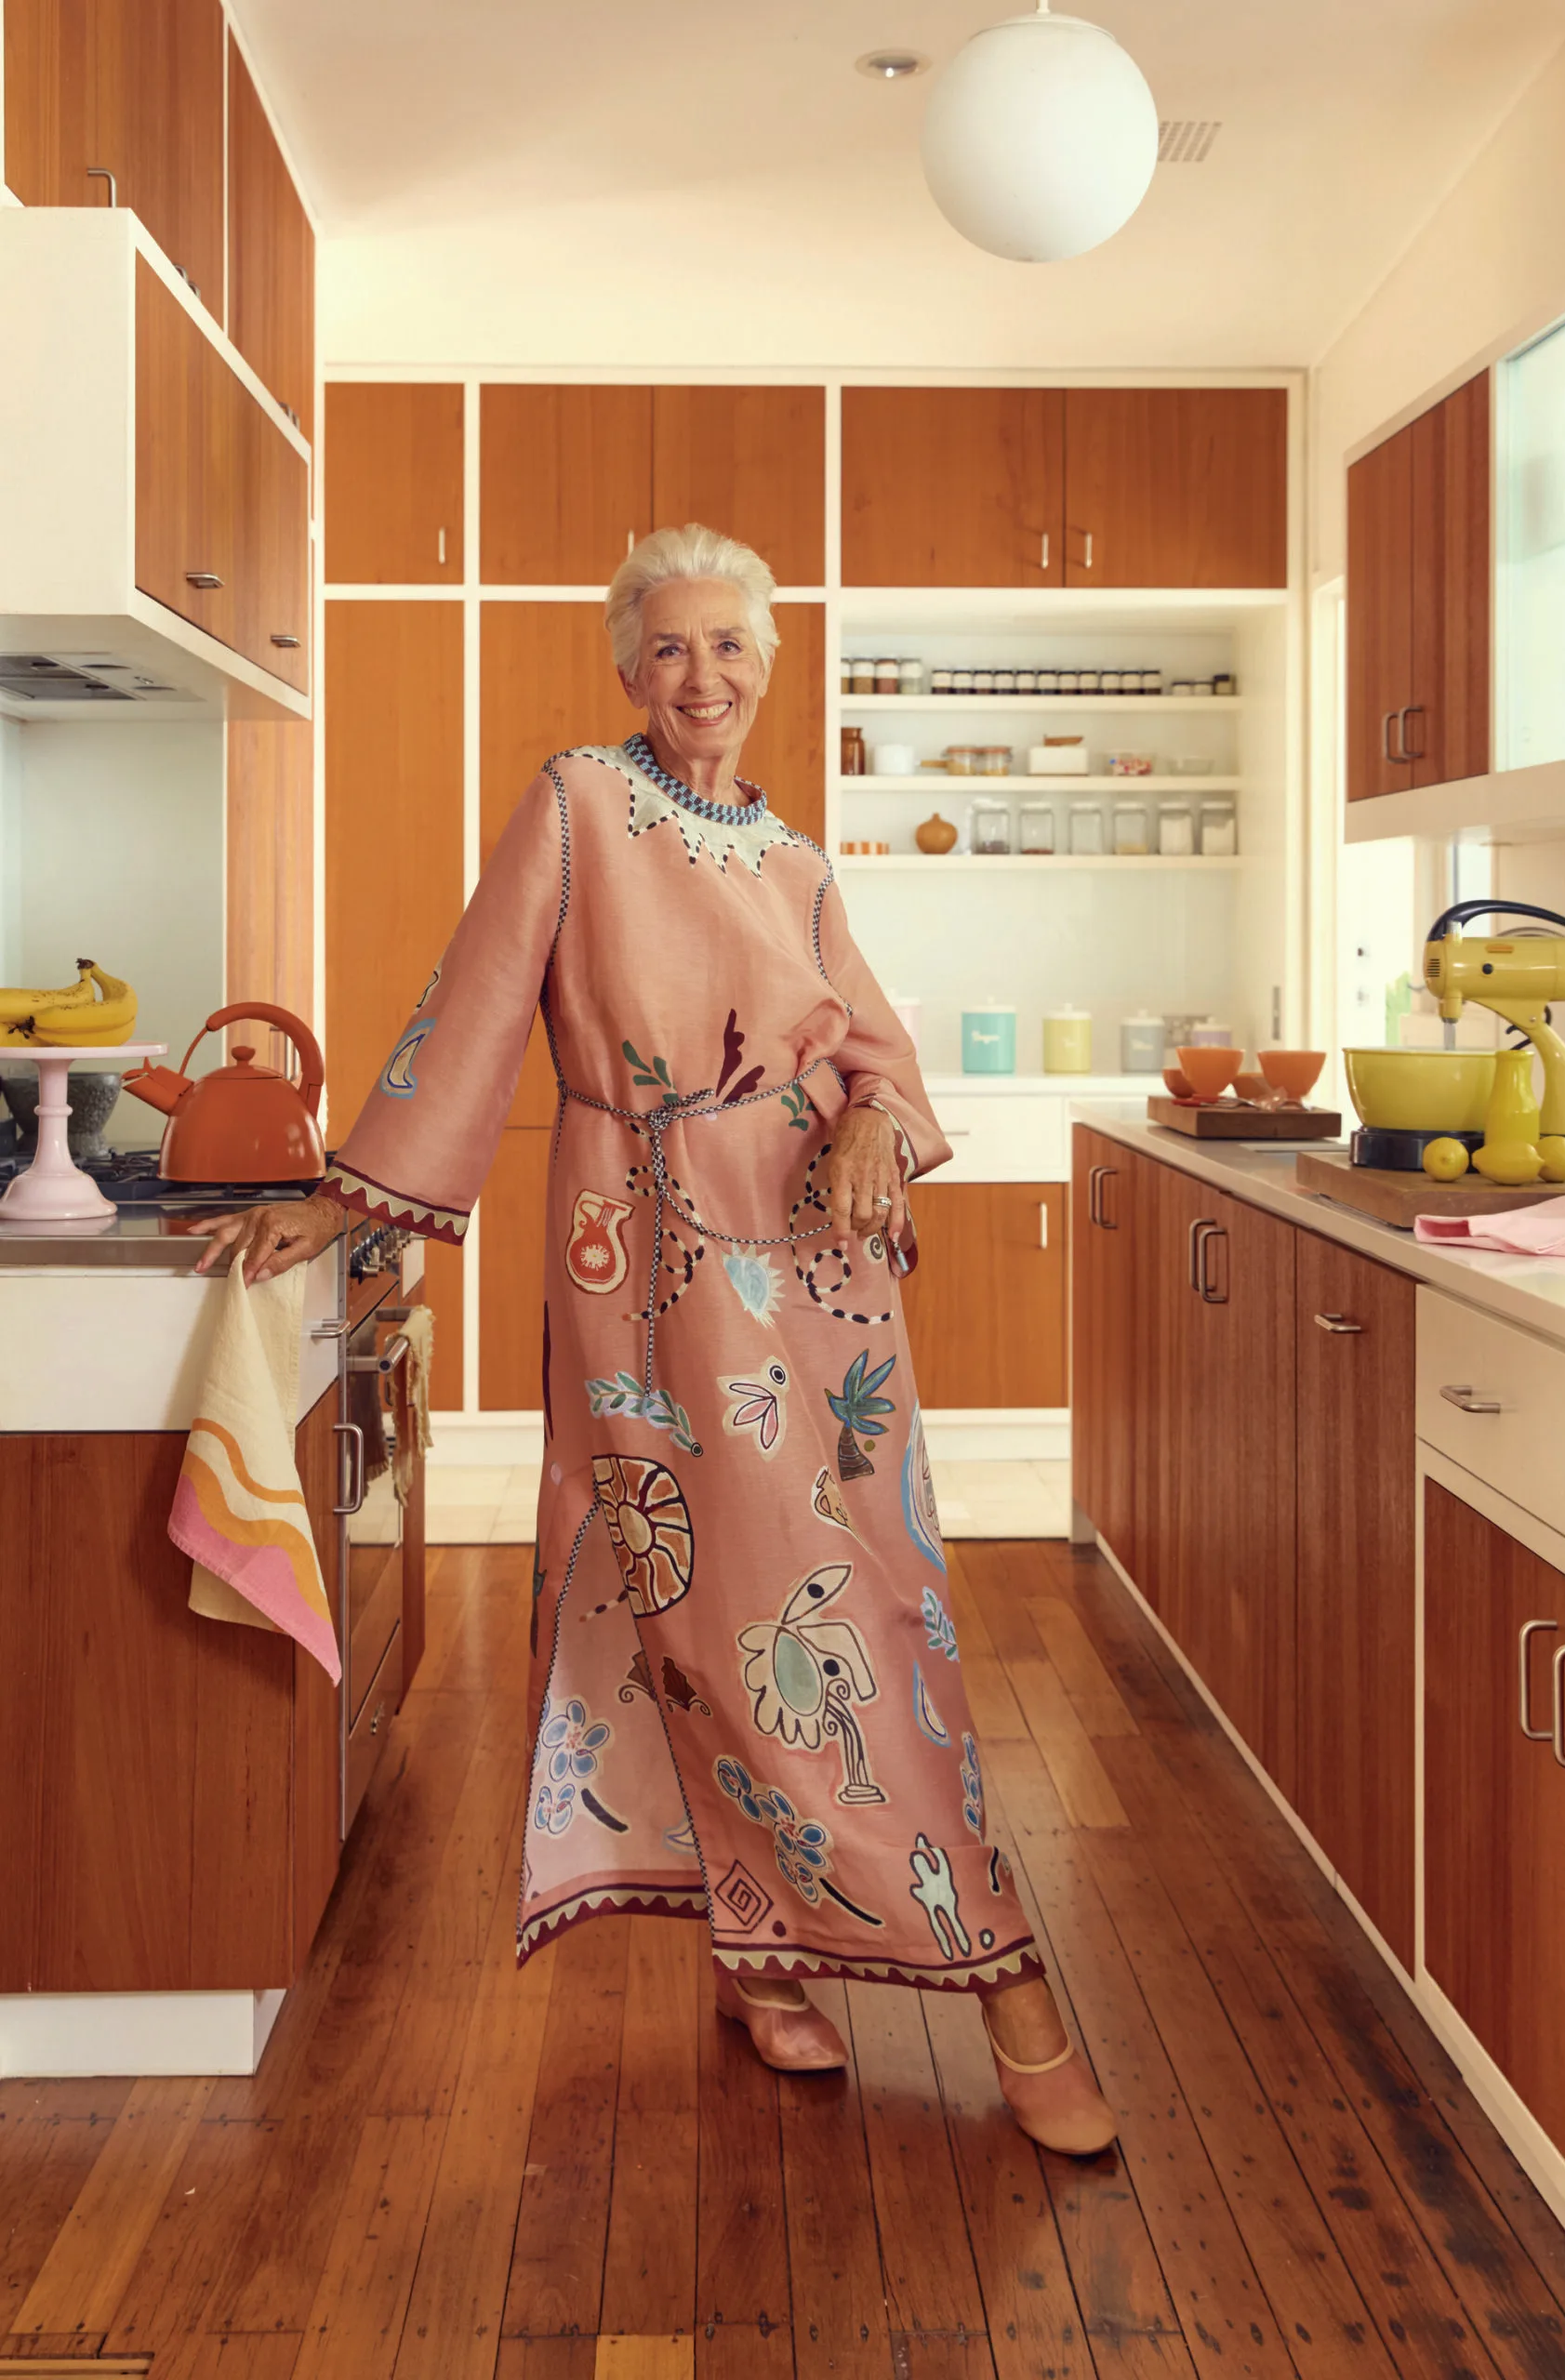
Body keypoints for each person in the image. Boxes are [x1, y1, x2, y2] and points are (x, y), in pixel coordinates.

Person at [194, 522, 1118, 2156]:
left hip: (823, 1266)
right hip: (651, 1248)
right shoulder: (577, 804)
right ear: (629, 668)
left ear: (769, 668)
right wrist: (347, 1199)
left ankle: (761, 1951)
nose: (703, 675)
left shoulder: (800, 863)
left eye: (731, 646)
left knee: (880, 1601)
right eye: (672, 646)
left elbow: (876, 1055)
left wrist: (871, 1119)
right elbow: (476, 1000)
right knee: (738, 1598)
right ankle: (999, 1972)